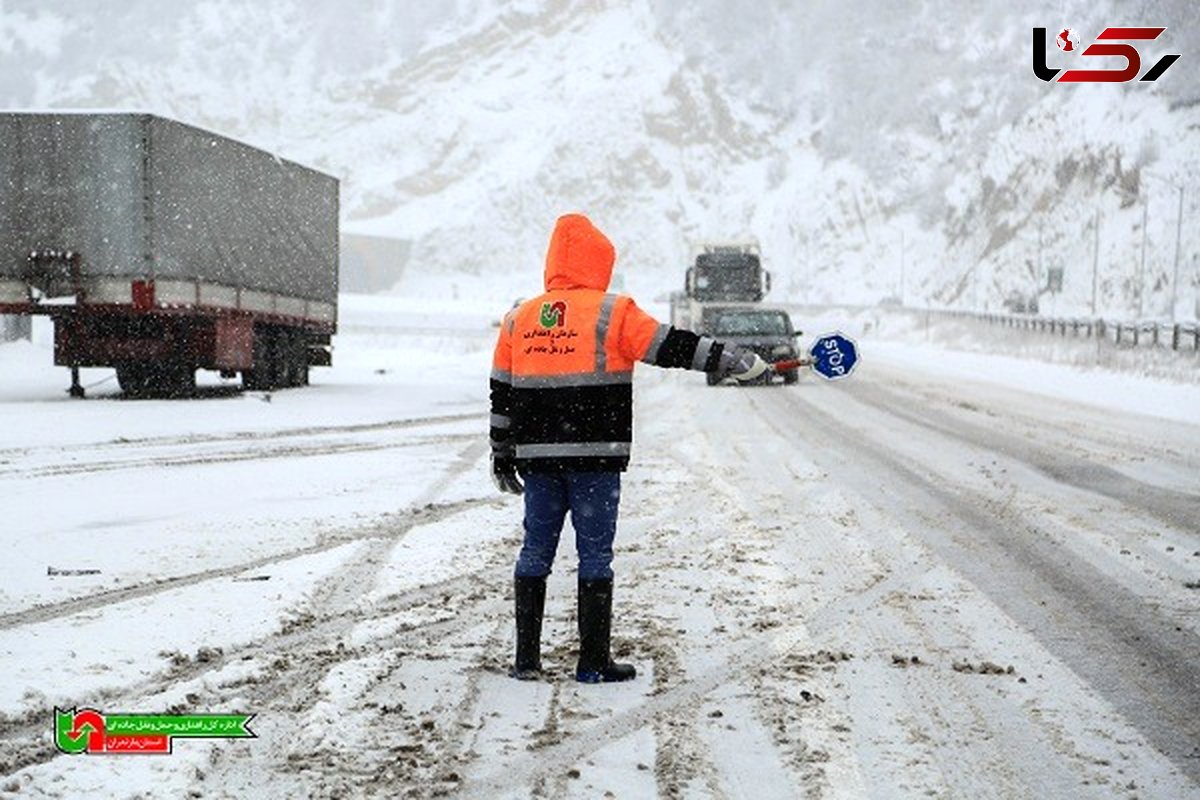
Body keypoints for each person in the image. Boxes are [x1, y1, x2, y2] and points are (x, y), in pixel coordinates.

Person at [489, 213, 768, 683]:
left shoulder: (519, 318)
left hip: (537, 461)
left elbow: (502, 390)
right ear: (599, 262)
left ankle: (526, 661)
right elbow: (672, 347)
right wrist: (731, 359)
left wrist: (502, 452)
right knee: (595, 555)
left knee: (535, 550)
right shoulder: (612, 312)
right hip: (595, 458)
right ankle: (593, 663)